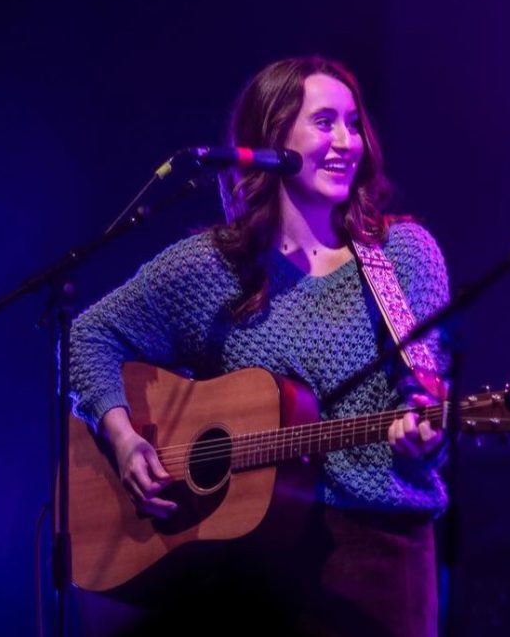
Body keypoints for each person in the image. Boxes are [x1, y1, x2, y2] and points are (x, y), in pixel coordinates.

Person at [70, 55, 450, 636]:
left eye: (353, 123)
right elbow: (90, 333)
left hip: (378, 556)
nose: (347, 141)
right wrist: (122, 438)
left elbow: (427, 391)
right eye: (325, 123)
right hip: (242, 565)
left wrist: (424, 432)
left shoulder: (404, 256)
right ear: (272, 136)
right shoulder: (212, 267)